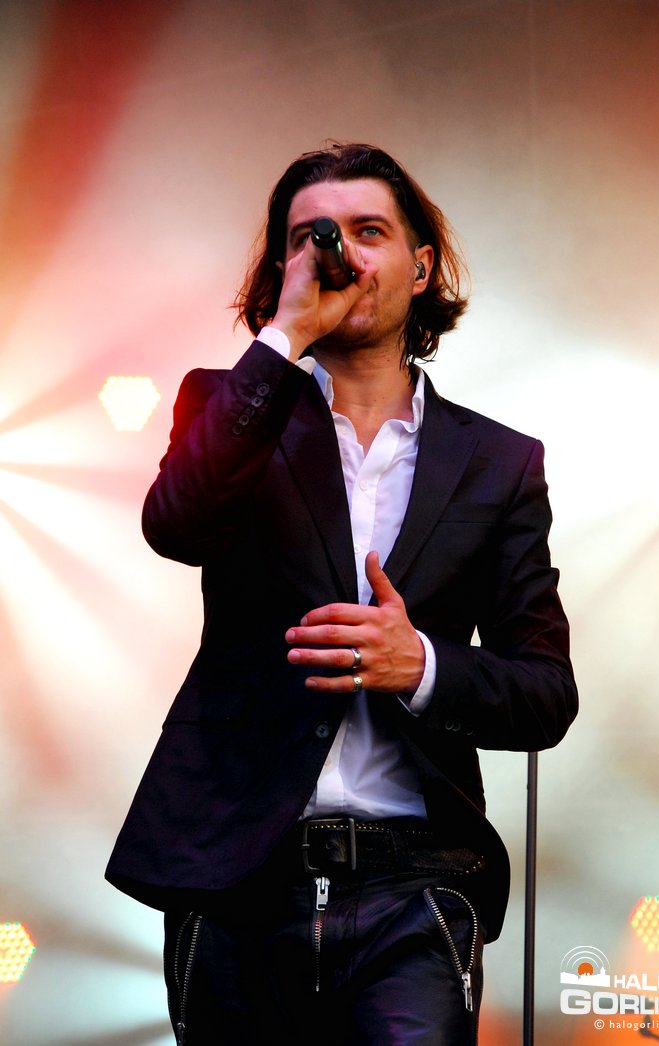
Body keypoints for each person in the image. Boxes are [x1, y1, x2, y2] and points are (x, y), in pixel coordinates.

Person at [106, 142, 578, 1045]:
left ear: (421, 267)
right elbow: (177, 526)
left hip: (413, 876)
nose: (340, 254)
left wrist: (421, 665)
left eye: (368, 231)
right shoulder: (229, 404)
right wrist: (283, 337)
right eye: (310, 238)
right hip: (239, 871)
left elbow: (546, 694)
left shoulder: (498, 462)